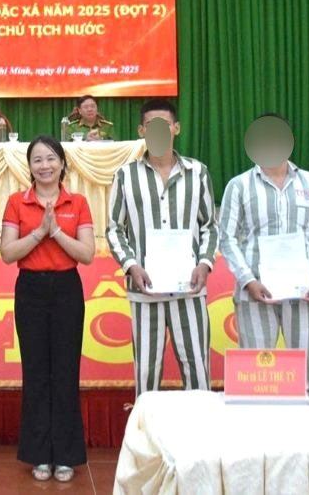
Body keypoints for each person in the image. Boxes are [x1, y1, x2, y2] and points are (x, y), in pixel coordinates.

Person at [106, 99, 218, 396]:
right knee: (146, 376)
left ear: (176, 129)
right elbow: (114, 229)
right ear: (141, 130)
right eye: (151, 126)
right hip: (145, 291)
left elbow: (210, 225)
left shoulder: (198, 172)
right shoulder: (125, 175)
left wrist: (204, 263)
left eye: (164, 125)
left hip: (190, 290)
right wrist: (131, 266)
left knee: (197, 371)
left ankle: (199, 442)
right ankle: (145, 442)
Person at [0, 136, 94, 483]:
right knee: (36, 372)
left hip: (68, 289)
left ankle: (66, 456)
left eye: (51, 159)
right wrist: (40, 233)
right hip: (31, 291)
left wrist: (56, 231)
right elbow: (8, 253)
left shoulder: (78, 202)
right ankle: (40, 454)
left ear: (62, 164)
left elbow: (86, 254)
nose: (44, 166)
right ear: (30, 167)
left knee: (66, 372)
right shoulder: (16, 203)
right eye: (37, 160)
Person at [219, 114, 309, 394]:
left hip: (305, 292)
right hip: (256, 292)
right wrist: (248, 280)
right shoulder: (239, 185)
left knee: (307, 376)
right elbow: (227, 237)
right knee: (257, 375)